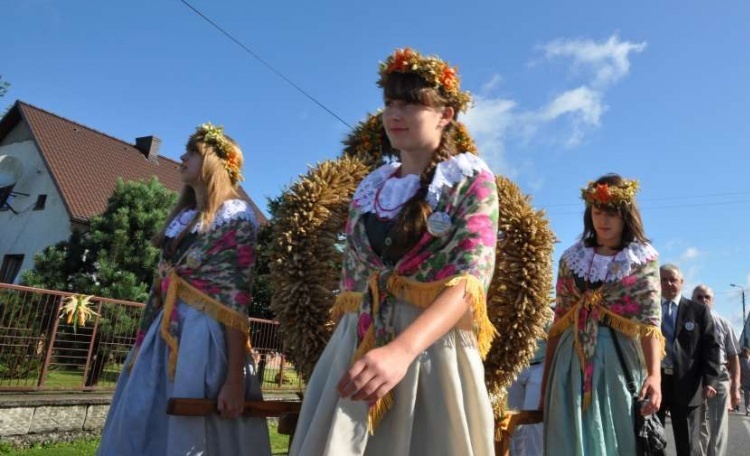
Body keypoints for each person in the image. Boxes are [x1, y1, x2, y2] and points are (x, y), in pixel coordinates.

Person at [289, 47, 499, 456]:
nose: (394, 114)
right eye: (389, 104)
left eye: (410, 104)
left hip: (430, 352)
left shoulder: (470, 180)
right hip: (358, 342)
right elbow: (353, 280)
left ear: (445, 115)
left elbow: (472, 278)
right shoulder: (371, 189)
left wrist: (402, 350)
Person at [97, 123, 270, 455]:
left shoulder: (236, 218)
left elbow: (235, 300)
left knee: (193, 429)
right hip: (165, 334)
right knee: (144, 419)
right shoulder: (187, 217)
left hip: (204, 341)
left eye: (192, 151)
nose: (182, 156)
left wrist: (234, 379)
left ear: (215, 162)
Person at [542, 175, 663, 455]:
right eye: (597, 212)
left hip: (617, 363)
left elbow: (650, 323)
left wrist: (655, 376)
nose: (603, 220)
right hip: (569, 363)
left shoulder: (641, 259)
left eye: (611, 214)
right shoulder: (572, 259)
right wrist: (545, 383)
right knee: (568, 439)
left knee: (615, 437)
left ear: (626, 216)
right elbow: (558, 323)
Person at [658, 264, 719, 456]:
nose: (668, 283)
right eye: (663, 279)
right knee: (653, 437)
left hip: (687, 383)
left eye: (673, 279)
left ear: (681, 282)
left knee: (686, 442)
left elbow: (711, 347)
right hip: (656, 382)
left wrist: (710, 380)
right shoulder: (648, 309)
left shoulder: (698, 311)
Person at [689, 285, 740, 456]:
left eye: (707, 297)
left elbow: (733, 357)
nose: (703, 300)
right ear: (692, 299)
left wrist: (735, 388)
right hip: (695, 376)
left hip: (719, 375)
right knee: (698, 425)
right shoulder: (686, 322)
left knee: (718, 426)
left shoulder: (723, 323)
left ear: (713, 301)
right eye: (699, 297)